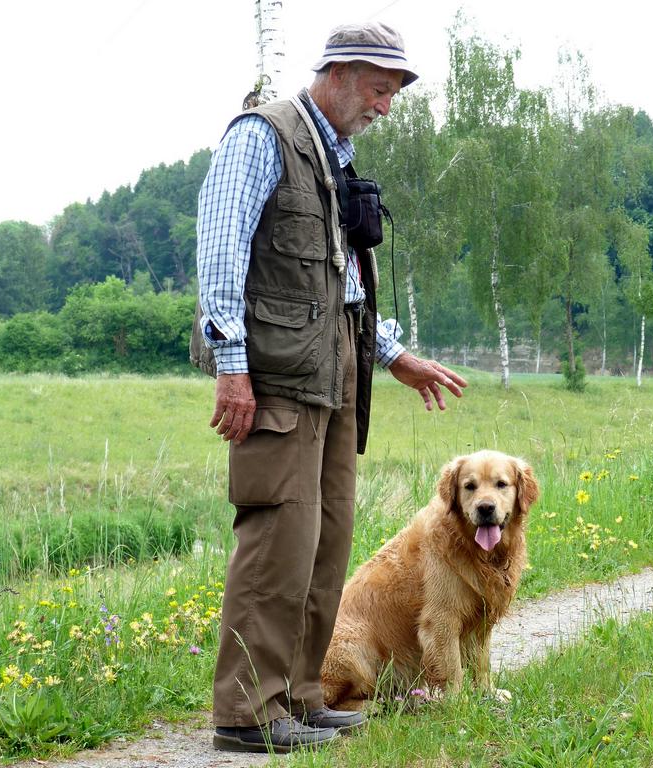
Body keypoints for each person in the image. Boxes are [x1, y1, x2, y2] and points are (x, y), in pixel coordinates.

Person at [196, 21, 468, 754]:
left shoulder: (331, 156)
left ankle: (301, 696)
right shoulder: (264, 136)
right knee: (276, 543)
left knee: (324, 542)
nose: (384, 107)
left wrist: (392, 354)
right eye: (379, 90)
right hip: (276, 375)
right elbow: (219, 249)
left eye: (392, 95)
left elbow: (339, 279)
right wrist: (230, 363)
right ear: (341, 73)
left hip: (334, 373)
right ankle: (246, 714)